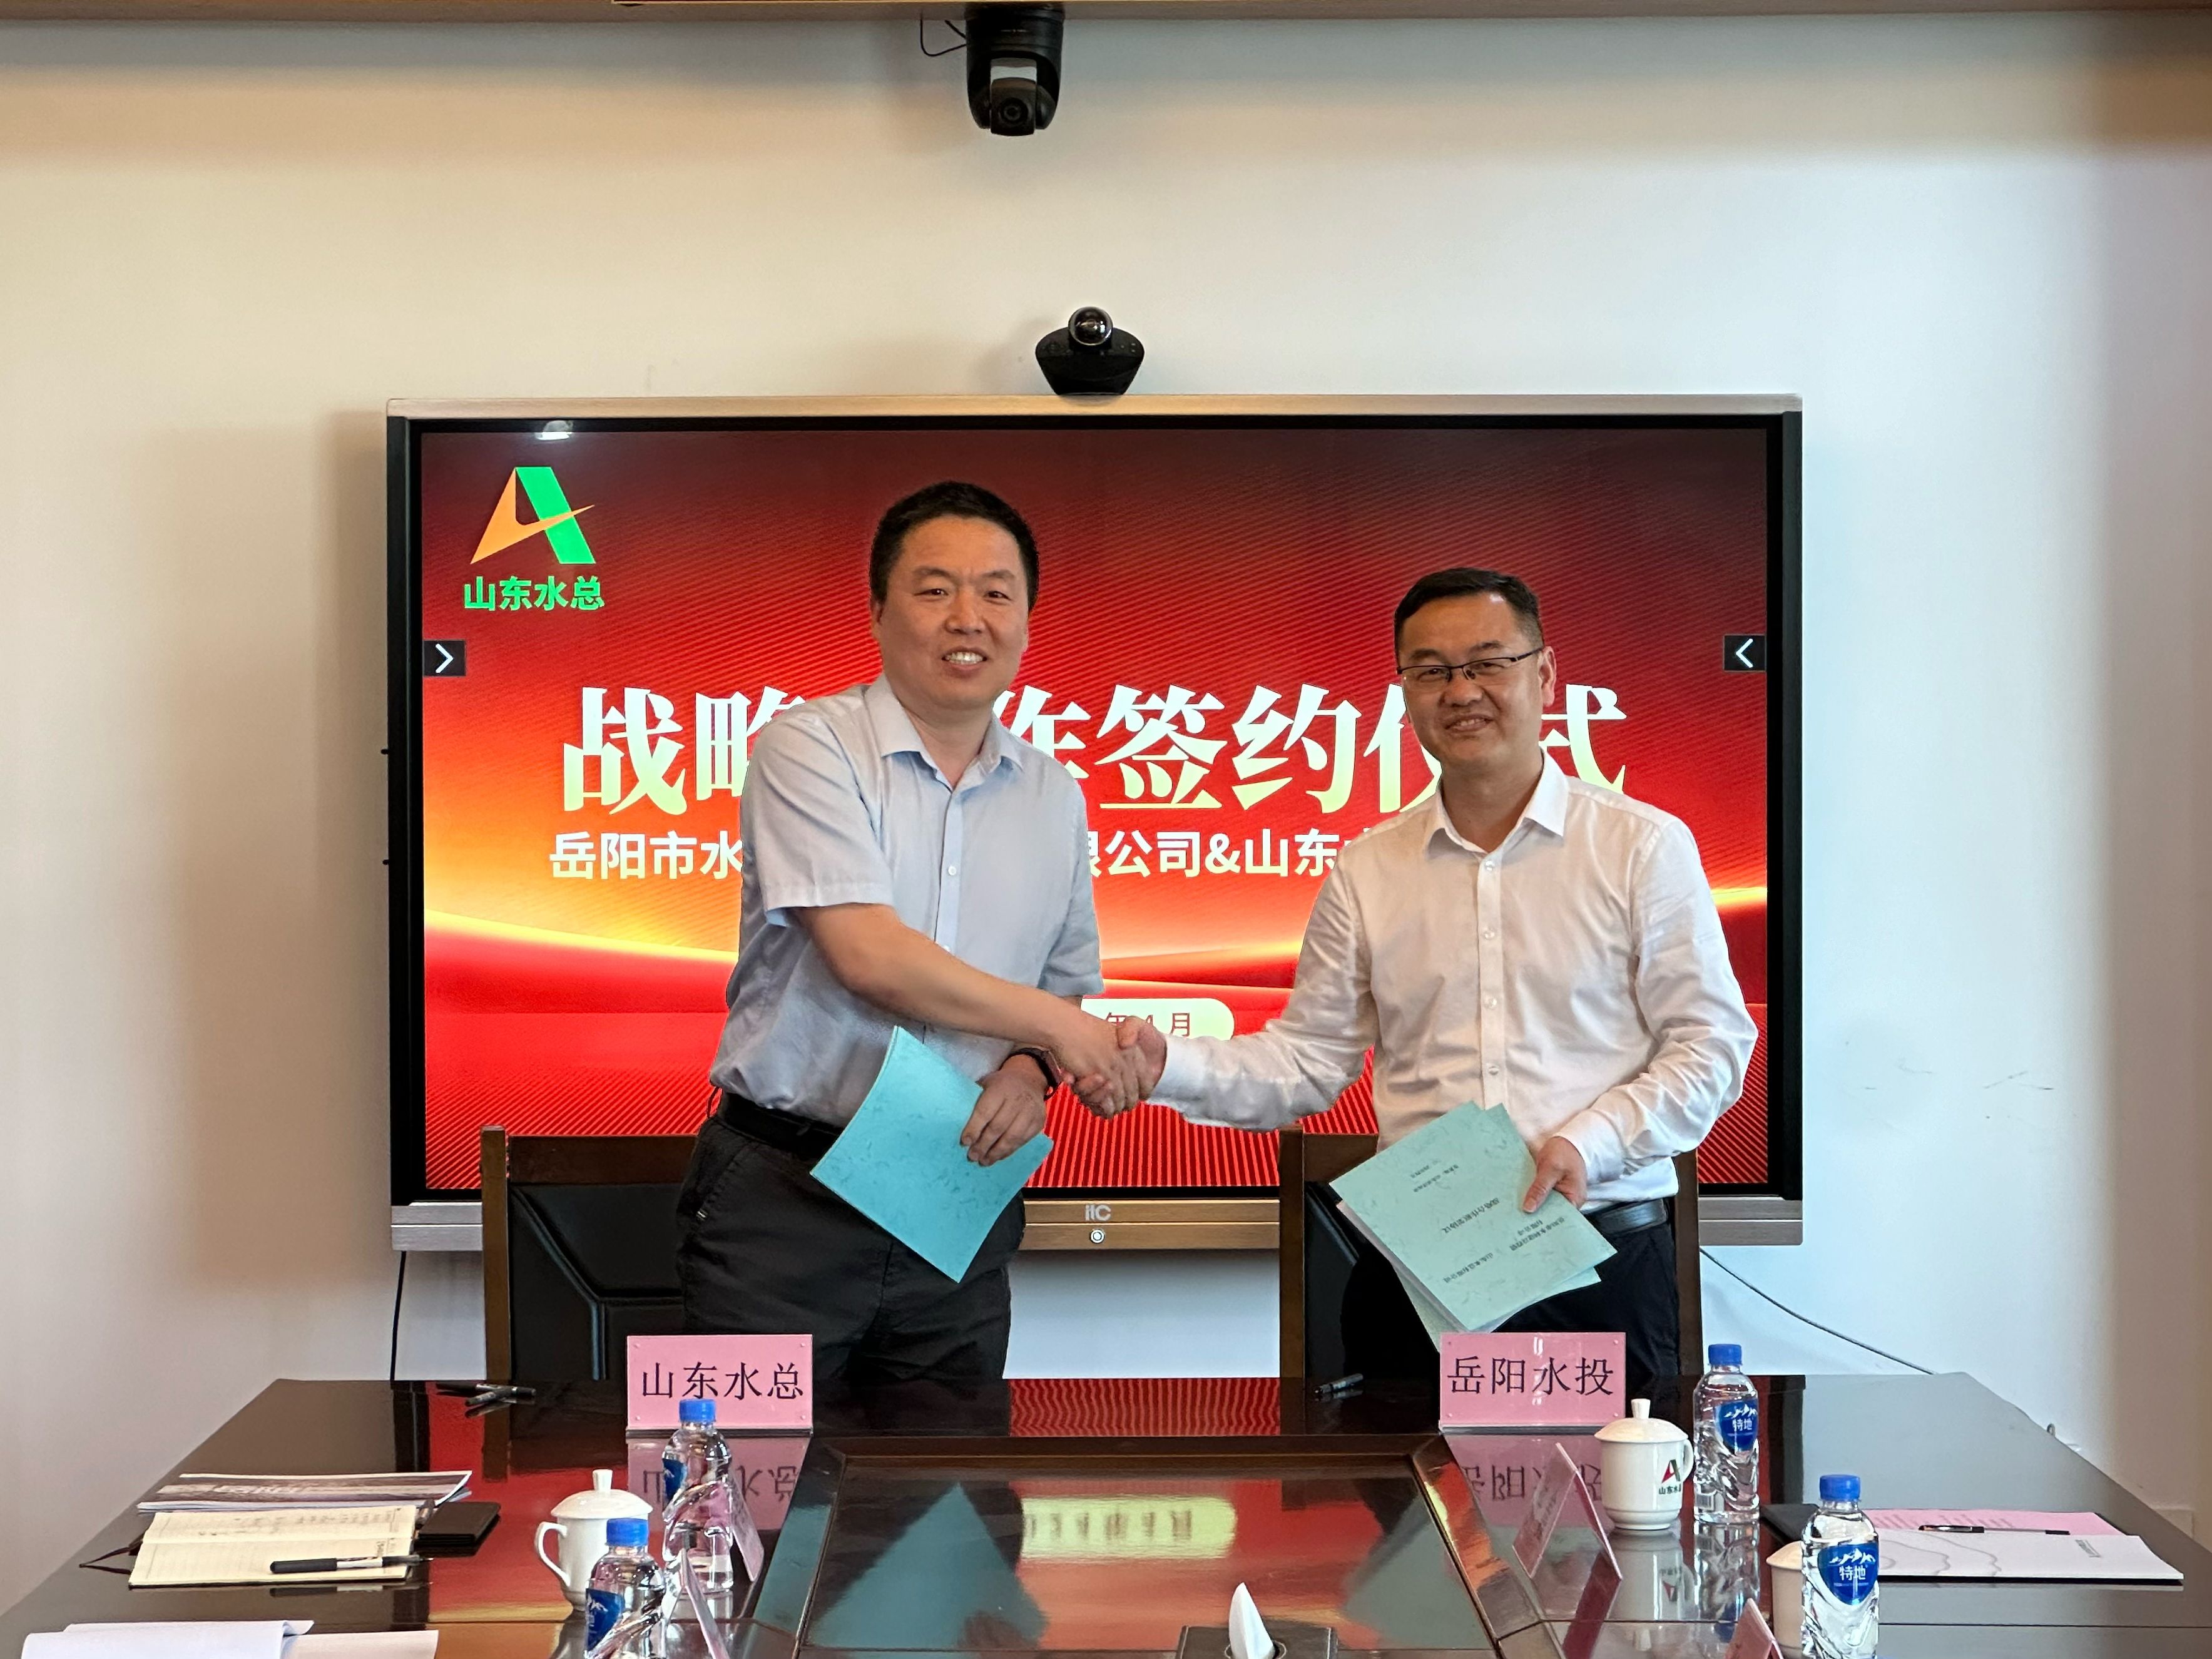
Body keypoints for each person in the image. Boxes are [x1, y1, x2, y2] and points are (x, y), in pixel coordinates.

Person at [1104, 568, 1756, 1392]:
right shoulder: (1369, 869)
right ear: (1405, 692)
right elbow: (1307, 1061)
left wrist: (1589, 1141)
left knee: (1607, 1484)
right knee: (1406, 1479)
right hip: (1421, 1274)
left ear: (1546, 675)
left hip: (1598, 1258)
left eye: (1488, 663)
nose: (1462, 691)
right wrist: (1169, 1065)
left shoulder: (1641, 847)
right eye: (1431, 671)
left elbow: (1712, 1047)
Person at [677, 479, 1141, 1384]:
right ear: (879, 610)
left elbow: (1062, 983)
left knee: (951, 1472)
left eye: (997, 593)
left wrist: (1030, 1069)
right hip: (787, 1199)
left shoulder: (1053, 794)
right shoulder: (809, 746)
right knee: (753, 1472)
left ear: (1027, 623)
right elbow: (870, 957)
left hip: (955, 1195)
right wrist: (1061, 1031)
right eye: (935, 590)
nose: (969, 618)